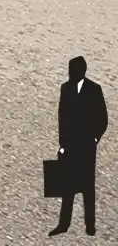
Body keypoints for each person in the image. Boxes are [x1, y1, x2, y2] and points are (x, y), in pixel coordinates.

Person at [55, 56, 108, 235]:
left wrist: (94, 139)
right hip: (70, 147)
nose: (70, 73)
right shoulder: (66, 88)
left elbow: (103, 118)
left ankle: (90, 226)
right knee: (67, 187)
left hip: (86, 147)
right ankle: (64, 224)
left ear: (81, 71)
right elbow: (62, 118)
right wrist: (62, 144)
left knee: (87, 188)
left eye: (72, 70)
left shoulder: (94, 89)